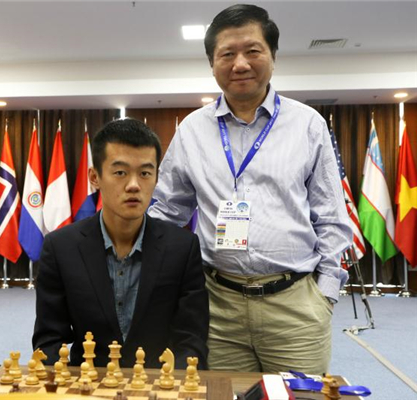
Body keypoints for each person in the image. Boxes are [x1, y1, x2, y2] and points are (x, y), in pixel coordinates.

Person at [148, 4, 352, 375]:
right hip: (217, 306)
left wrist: (324, 295)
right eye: (227, 54)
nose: (240, 64)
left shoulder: (308, 125)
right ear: (212, 64)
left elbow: (331, 217)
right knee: (220, 394)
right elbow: (166, 211)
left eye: (252, 51)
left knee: (297, 397)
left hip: (295, 306)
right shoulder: (191, 130)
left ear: (273, 56)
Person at [32, 118, 209, 370]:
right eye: (120, 173)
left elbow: (191, 339)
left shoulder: (183, 247)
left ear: (157, 178)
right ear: (95, 177)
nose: (134, 185)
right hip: (88, 383)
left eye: (145, 173)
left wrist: (173, 385)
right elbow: (49, 340)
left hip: (159, 383)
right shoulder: (61, 248)